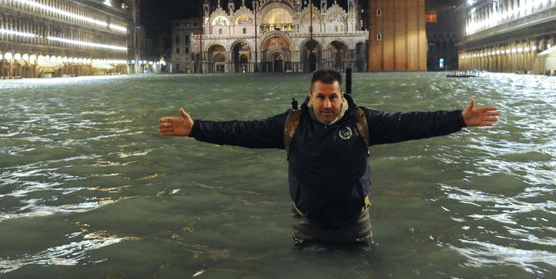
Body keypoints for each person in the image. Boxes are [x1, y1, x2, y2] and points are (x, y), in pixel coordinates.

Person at [157, 69, 499, 246]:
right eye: (320, 97)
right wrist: (196, 128)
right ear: (310, 96)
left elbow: (411, 123)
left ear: (342, 96)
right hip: (307, 225)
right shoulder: (291, 124)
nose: (326, 105)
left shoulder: (364, 121)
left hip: (355, 225)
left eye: (332, 97)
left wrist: (459, 119)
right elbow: (242, 131)